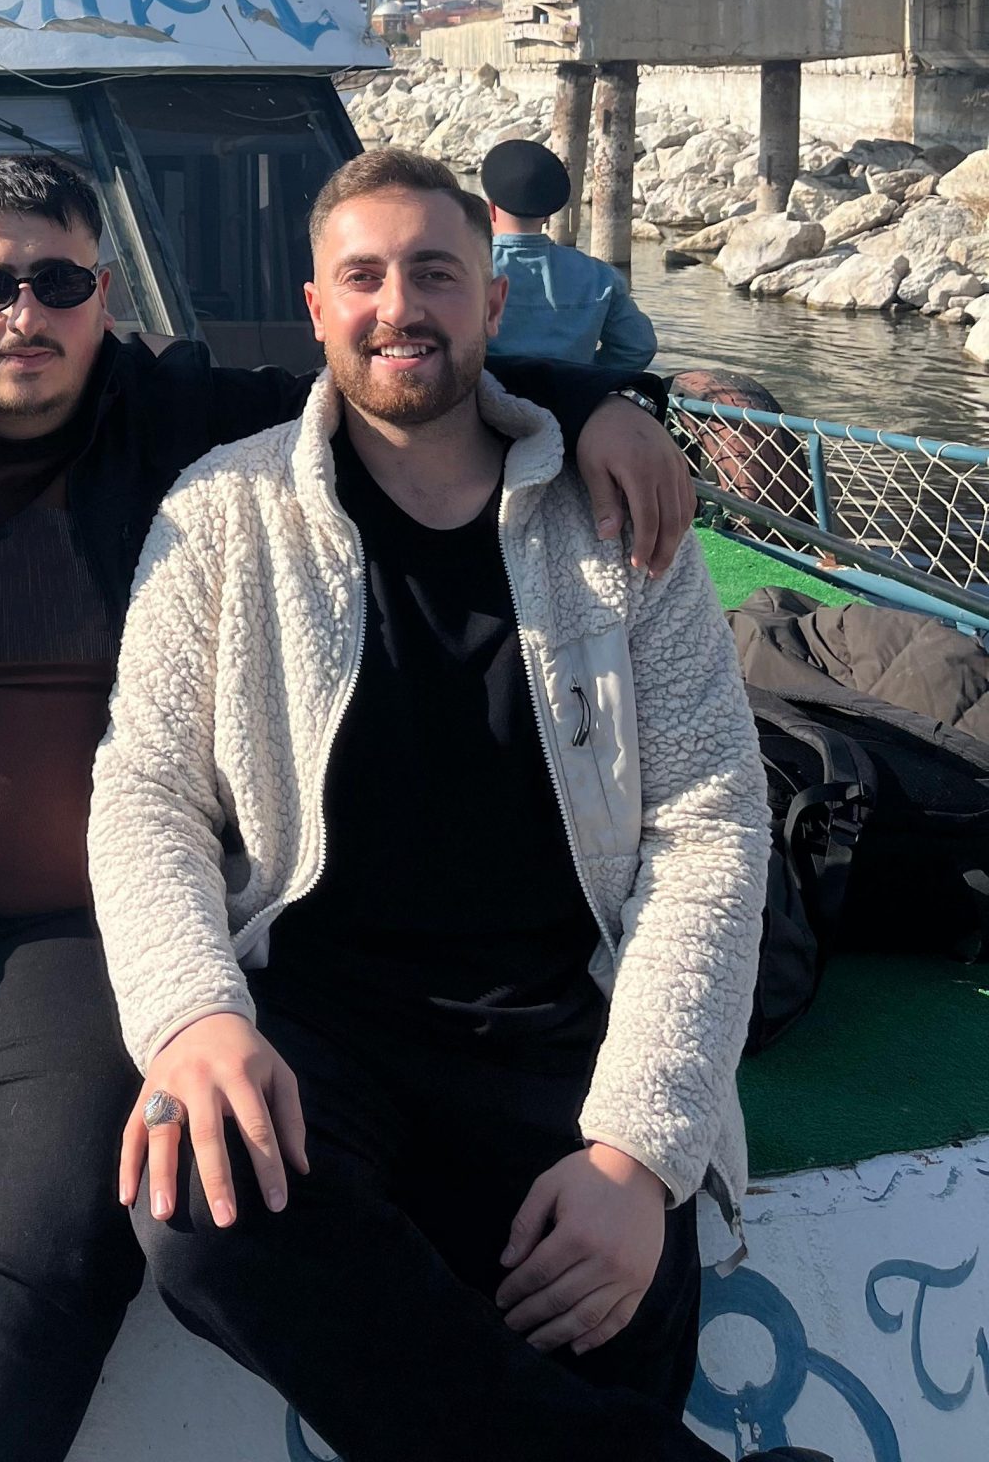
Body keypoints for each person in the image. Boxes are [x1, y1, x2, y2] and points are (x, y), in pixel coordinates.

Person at [0, 149, 699, 1462]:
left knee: (47, 1252)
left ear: (105, 295)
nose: (25, 315)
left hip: (69, 940)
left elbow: (393, 372)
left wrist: (592, 405)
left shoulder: (178, 418)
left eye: (59, 283)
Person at [89, 147, 781, 1462]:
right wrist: (191, 1016)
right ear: (315, 308)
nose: (397, 305)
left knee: (611, 1307)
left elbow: (710, 829)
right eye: (362, 277)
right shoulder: (225, 512)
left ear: (492, 302)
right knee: (204, 1220)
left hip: (558, 1028)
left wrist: (638, 1152)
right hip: (324, 1023)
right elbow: (147, 798)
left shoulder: (613, 521)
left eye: (434, 274)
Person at [482, 139, 659, 371]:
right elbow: (639, 347)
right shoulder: (601, 277)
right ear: (548, 215)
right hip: (574, 392)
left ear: (491, 209)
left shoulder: (469, 269)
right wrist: (587, 375)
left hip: (484, 392)